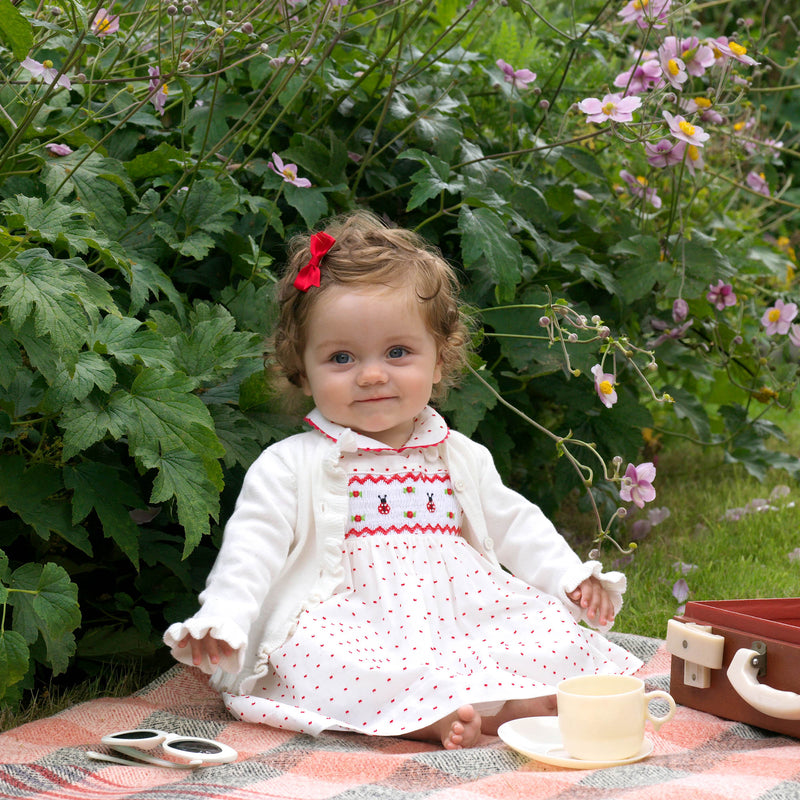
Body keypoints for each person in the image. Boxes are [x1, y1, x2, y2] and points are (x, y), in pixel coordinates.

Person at [164, 211, 642, 749]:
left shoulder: (455, 455)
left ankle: (514, 701)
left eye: (398, 352)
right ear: (302, 369)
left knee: (544, 631)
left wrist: (566, 576)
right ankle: (424, 716)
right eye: (341, 357)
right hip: (351, 616)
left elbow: (515, 524)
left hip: (458, 610)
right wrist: (226, 615)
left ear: (440, 360)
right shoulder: (290, 463)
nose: (371, 374)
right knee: (318, 655)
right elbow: (252, 551)